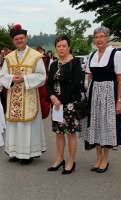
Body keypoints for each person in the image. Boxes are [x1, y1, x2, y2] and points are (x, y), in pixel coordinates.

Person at [0, 24, 47, 165]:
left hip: (29, 96)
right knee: (14, 125)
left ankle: (27, 154)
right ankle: (14, 152)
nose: (19, 41)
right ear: (13, 41)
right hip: (14, 96)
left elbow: (42, 76)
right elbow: (2, 76)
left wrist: (24, 78)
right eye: (16, 39)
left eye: (21, 38)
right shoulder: (9, 57)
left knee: (27, 126)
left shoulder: (36, 56)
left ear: (26, 38)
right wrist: (12, 79)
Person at [83, 27, 121, 173]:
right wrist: (88, 94)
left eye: (102, 36)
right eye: (96, 37)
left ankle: (105, 160)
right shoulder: (92, 55)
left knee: (107, 126)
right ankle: (98, 159)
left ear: (107, 38)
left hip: (109, 94)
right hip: (94, 94)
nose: (99, 39)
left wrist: (119, 100)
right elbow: (90, 77)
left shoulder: (116, 54)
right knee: (95, 125)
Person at [46, 36, 83, 175]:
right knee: (59, 133)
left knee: (71, 133)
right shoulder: (53, 64)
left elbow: (75, 85)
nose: (61, 48)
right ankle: (59, 158)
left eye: (64, 46)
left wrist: (60, 99)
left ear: (69, 47)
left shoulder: (75, 62)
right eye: (59, 46)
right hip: (56, 104)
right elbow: (48, 83)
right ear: (56, 48)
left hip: (69, 104)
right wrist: (52, 97)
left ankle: (71, 161)